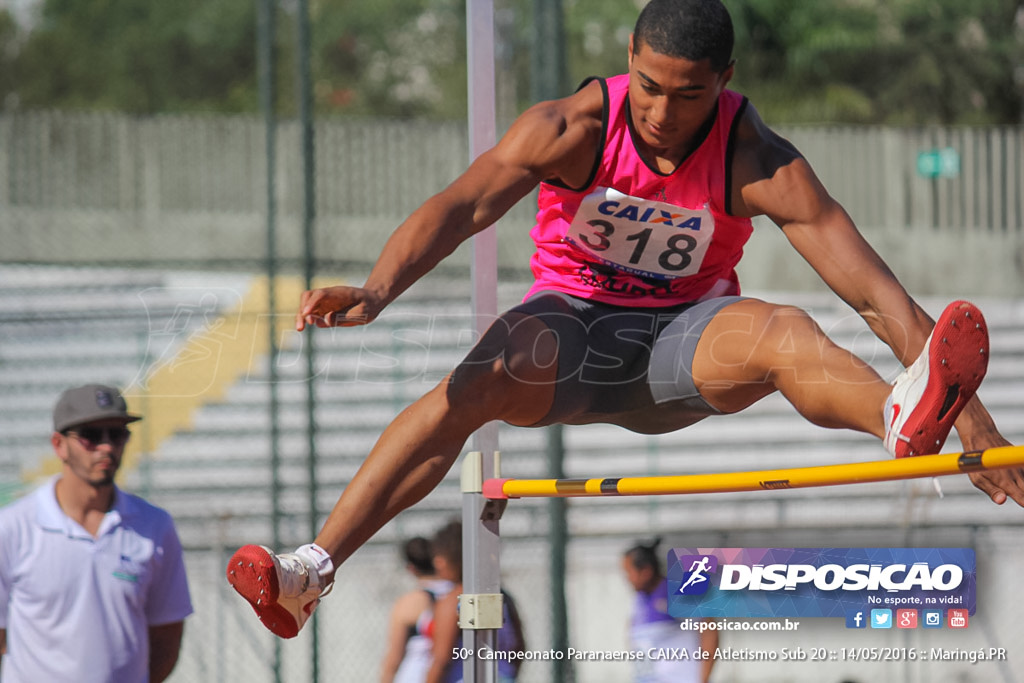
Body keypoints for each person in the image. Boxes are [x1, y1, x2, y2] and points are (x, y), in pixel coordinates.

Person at [226, 0, 1019, 639]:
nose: (664, 114)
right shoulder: (572, 126)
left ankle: (901, 415)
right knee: (484, 371)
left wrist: (974, 423)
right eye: (649, 86)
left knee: (782, 330)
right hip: (570, 337)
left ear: (727, 80)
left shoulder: (756, 156)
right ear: (629, 59)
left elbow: (874, 291)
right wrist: (376, 289)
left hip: (685, 347)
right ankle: (310, 571)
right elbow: (465, 204)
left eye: (689, 95)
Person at [0, 384, 193, 683]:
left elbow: (166, 634)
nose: (106, 446)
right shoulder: (13, 527)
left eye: (117, 434)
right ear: (59, 445)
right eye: (91, 435)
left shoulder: (155, 526)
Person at [423, 521, 525, 683]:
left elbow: (442, 659)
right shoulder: (502, 597)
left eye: (440, 555)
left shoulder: (453, 601)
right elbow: (519, 647)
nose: (436, 562)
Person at [623, 539, 717, 683]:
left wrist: (704, 678)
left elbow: (709, 630)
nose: (627, 579)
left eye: (629, 572)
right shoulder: (639, 599)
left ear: (646, 572)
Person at [381, 536, 455, 683]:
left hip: (416, 675)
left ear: (411, 568)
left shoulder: (410, 602)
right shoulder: (457, 593)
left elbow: (395, 656)